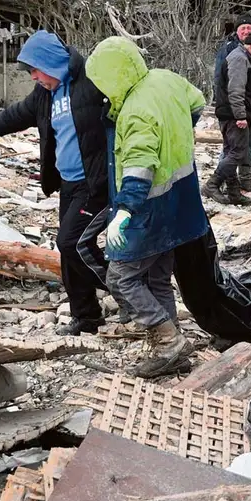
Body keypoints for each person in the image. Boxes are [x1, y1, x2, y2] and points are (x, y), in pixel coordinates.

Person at [0, 30, 109, 337]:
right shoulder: (46, 94)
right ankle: (86, 317)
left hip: (97, 183)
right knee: (67, 251)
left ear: (51, 62)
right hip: (69, 184)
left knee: (71, 242)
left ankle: (128, 288)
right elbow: (17, 115)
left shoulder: (93, 81)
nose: (33, 77)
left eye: (35, 70)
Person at [85, 36, 209, 378]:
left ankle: (168, 343)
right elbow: (197, 104)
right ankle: (173, 350)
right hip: (181, 200)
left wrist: (124, 210)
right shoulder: (165, 79)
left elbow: (140, 163)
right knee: (157, 276)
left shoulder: (135, 110)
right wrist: (177, 132)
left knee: (121, 277)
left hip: (150, 207)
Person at [203, 32, 251, 205]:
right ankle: (212, 184)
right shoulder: (240, 59)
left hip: (233, 113)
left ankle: (233, 192)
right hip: (234, 115)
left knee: (231, 151)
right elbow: (236, 89)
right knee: (238, 152)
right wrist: (240, 115)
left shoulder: (246, 58)